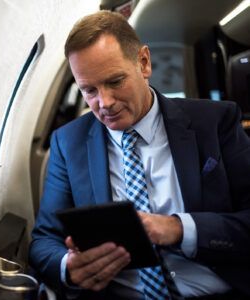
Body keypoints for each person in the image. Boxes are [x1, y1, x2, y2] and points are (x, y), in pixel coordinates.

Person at [29, 10, 250, 300]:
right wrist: (68, 267)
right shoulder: (68, 143)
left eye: (115, 81)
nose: (104, 103)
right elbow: (44, 241)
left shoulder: (215, 121)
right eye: (89, 90)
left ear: (144, 63)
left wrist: (177, 228)